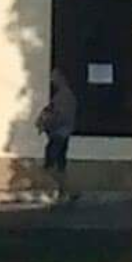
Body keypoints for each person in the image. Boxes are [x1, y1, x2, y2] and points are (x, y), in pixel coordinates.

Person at [36, 68, 78, 203]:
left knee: (50, 165)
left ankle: (65, 190)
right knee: (60, 165)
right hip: (63, 133)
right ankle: (65, 192)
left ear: (61, 79)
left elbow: (59, 116)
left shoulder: (63, 97)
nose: (52, 81)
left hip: (58, 134)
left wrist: (47, 123)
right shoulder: (64, 96)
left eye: (54, 77)